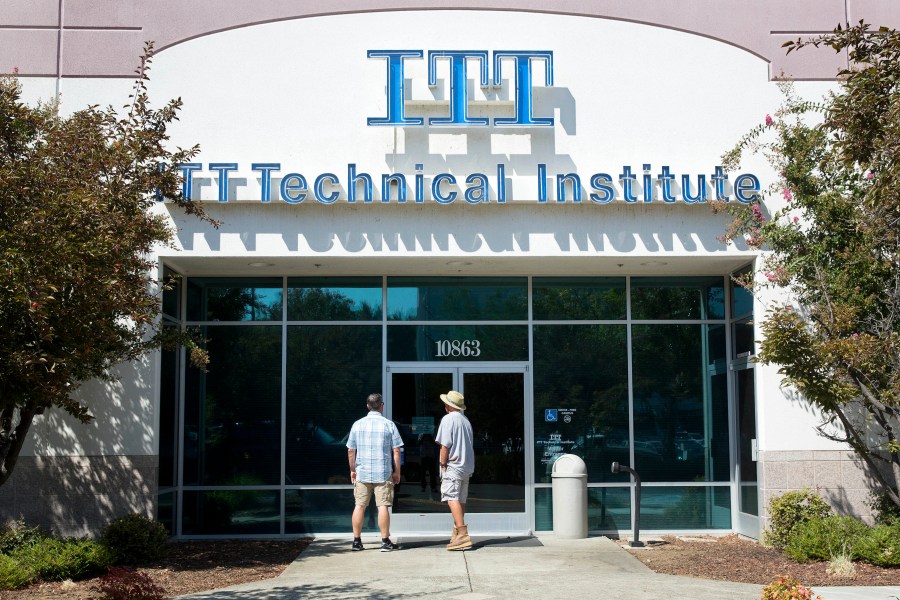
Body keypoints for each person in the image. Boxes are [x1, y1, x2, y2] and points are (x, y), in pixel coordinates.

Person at [346, 393, 403, 552]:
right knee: (383, 506)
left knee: (359, 506)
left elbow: (351, 450)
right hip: (383, 472)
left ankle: (356, 542)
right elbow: (397, 450)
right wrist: (397, 471)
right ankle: (385, 542)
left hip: (362, 472)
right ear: (382, 406)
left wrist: (352, 470)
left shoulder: (357, 425)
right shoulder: (388, 424)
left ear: (367, 406)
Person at [434, 390, 475, 551]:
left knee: (451, 497)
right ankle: (457, 534)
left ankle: (463, 535)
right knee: (460, 500)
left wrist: (442, 464)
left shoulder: (448, 419)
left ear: (448, 405)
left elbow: (445, 445)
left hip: (454, 465)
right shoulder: (465, 420)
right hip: (466, 466)